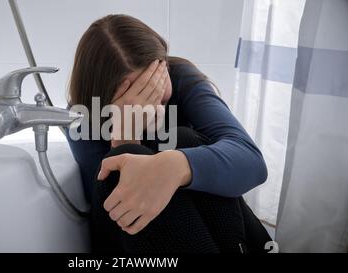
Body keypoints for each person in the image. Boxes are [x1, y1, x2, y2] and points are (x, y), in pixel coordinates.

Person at [66, 14, 272, 253]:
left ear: (165, 67)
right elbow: (111, 203)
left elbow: (253, 163)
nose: (150, 102)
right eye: (136, 94)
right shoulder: (82, 116)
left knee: (185, 140)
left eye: (154, 84)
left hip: (224, 238)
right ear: (103, 97)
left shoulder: (182, 78)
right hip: (135, 241)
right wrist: (125, 137)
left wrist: (174, 166)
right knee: (124, 159)